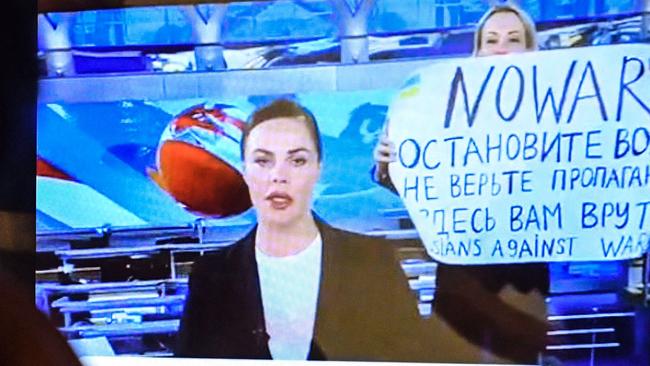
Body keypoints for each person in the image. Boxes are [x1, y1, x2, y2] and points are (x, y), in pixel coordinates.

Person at [175, 99, 437, 361]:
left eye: (297, 160)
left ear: (318, 169)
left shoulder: (373, 262)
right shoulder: (212, 277)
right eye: (263, 161)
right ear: (244, 171)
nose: (279, 175)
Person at [371, 3, 550, 364]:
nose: (501, 48)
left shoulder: (558, 113)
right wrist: (388, 165)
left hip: (523, 278)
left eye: (513, 39)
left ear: (531, 50)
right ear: (477, 50)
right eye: (491, 40)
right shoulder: (439, 107)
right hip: (459, 275)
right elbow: (415, 189)